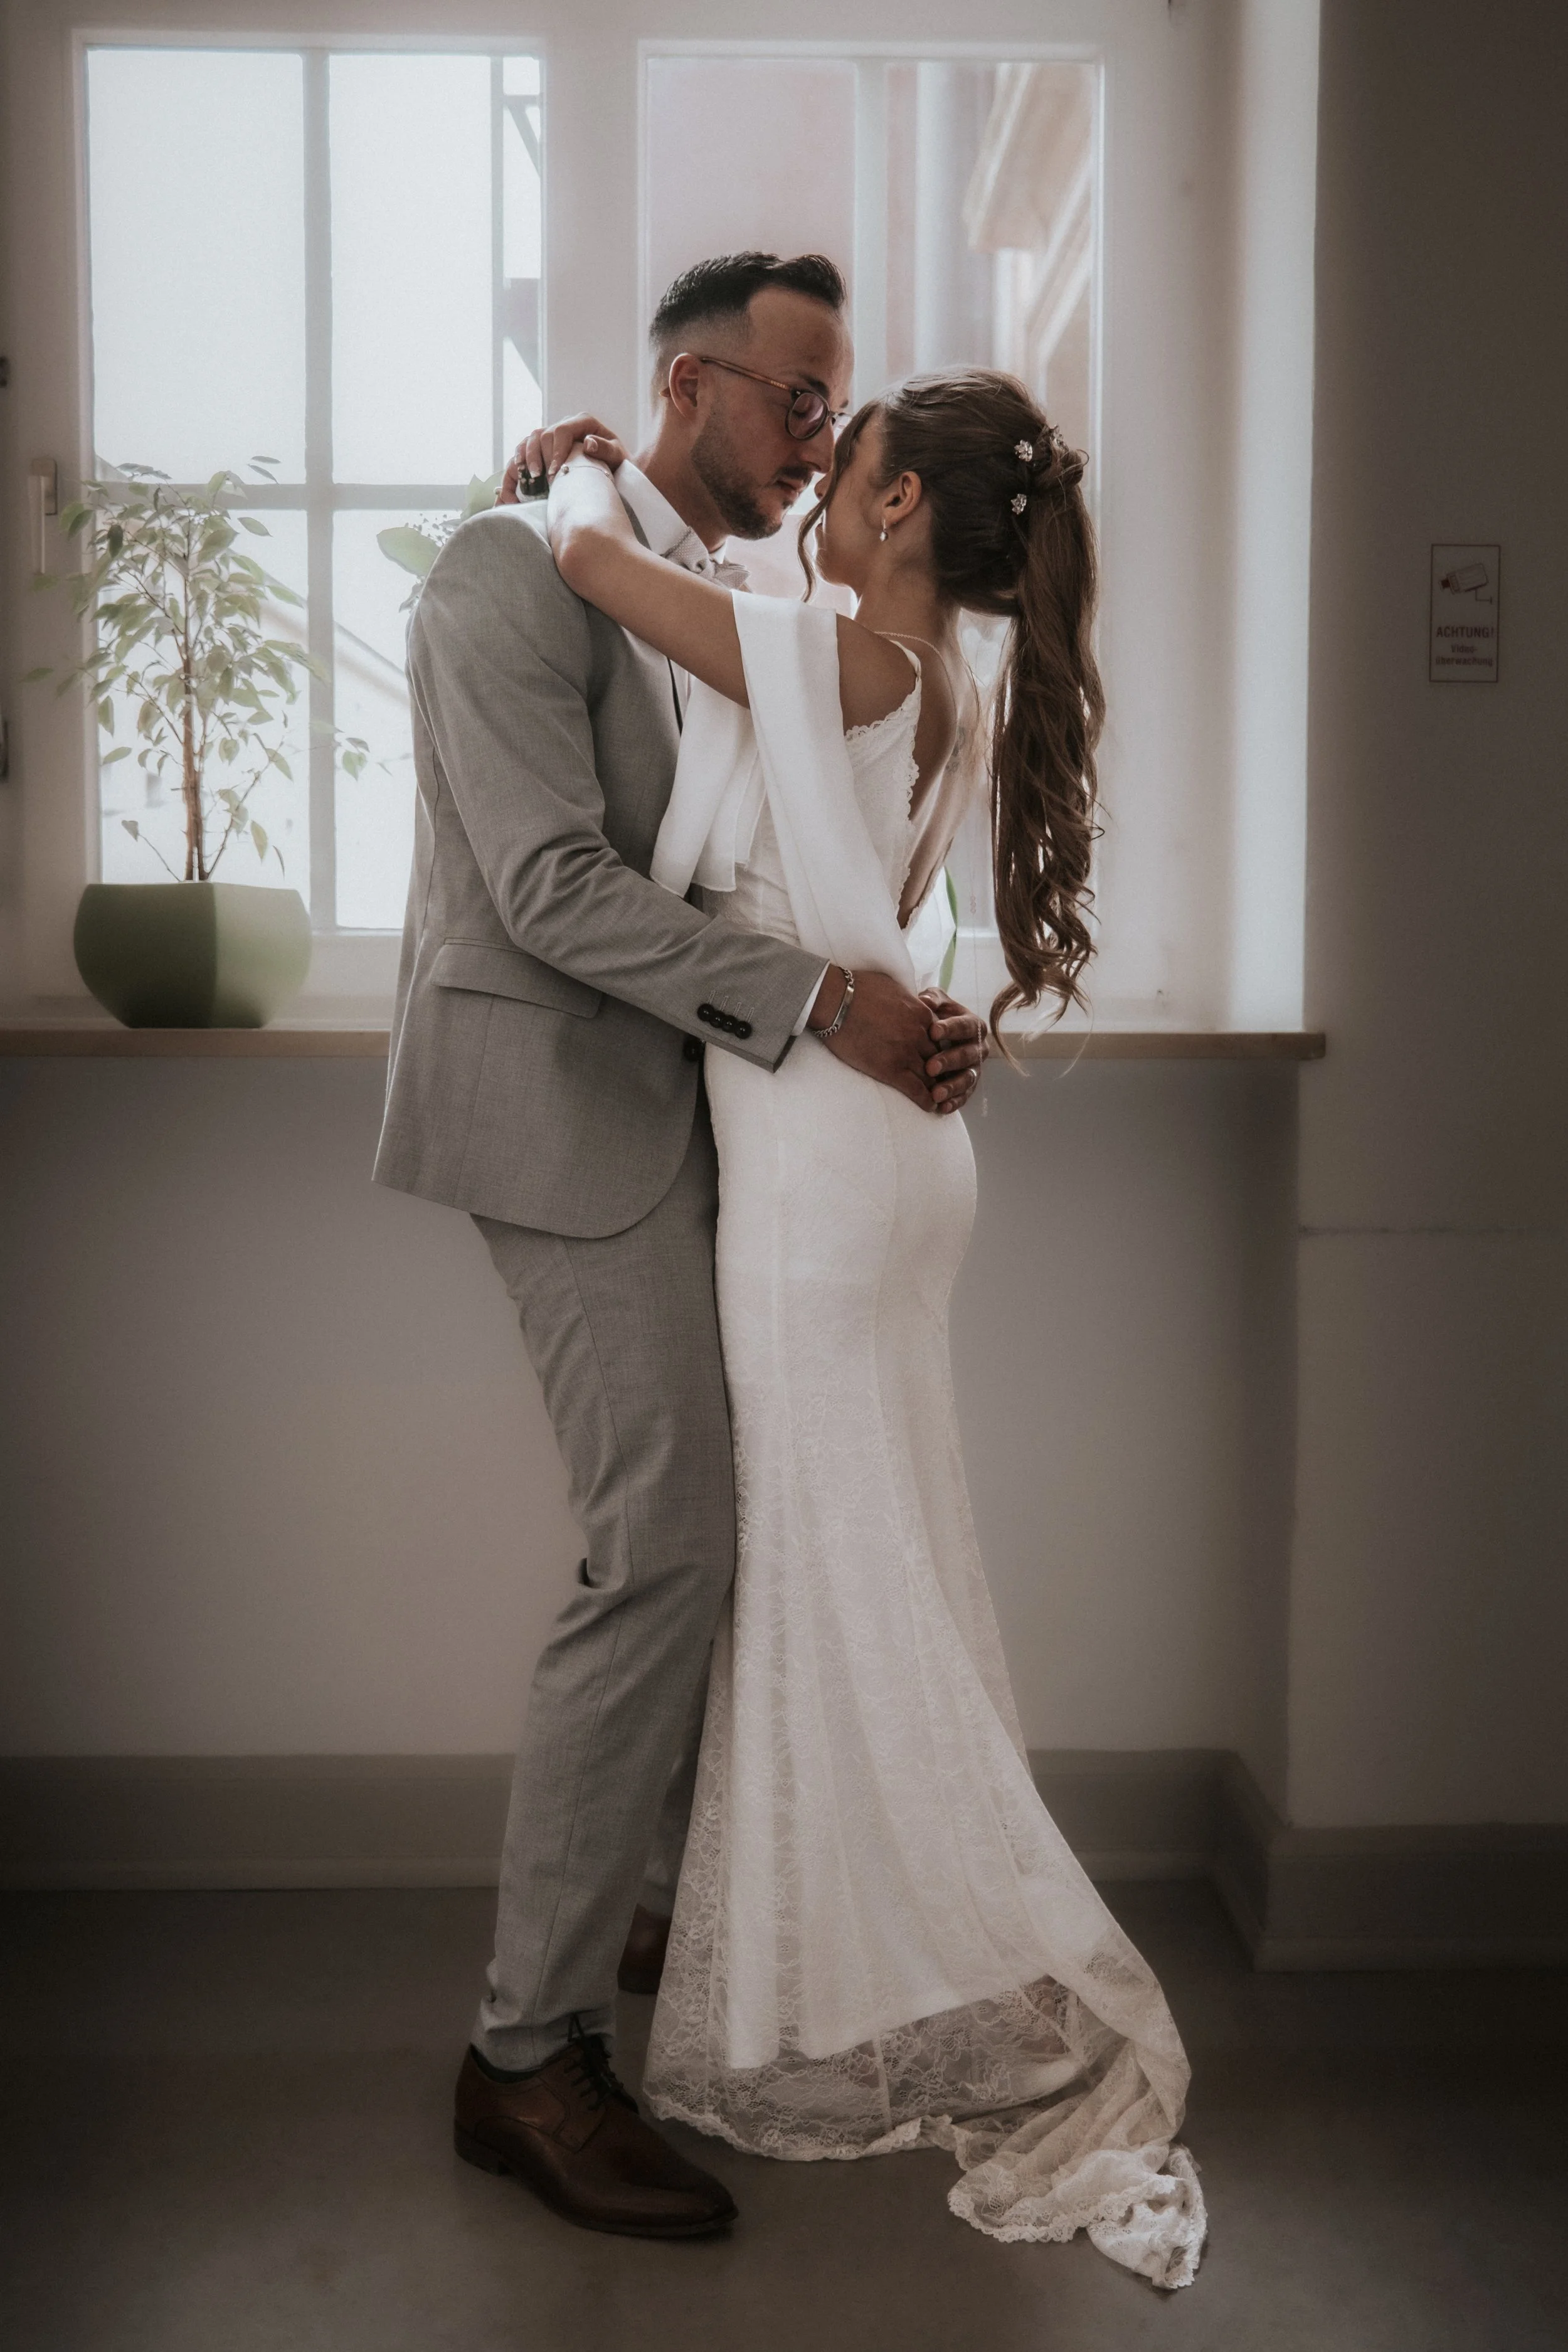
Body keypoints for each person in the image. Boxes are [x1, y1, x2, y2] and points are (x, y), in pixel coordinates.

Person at [532, 366, 1207, 2289]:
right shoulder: (937, 679)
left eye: (857, 454)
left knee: (818, 1572)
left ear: (903, 507)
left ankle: (833, 1967)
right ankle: (820, 1943)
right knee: (856, 1554)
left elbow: (593, 568)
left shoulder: (834, 661)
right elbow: (872, 907)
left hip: (817, 1171)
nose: (825, 471)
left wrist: (577, 463)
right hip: (893, 1151)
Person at [373, 252, 988, 2243]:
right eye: (797, 398)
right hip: (564, 1113)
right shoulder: (501, 571)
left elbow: (814, 816)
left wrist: (905, 995)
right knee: (663, 1547)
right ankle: (524, 2052)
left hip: (726, 1117)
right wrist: (818, 1002)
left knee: (738, 1535)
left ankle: (656, 1909)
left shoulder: (735, 587)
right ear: (686, 385)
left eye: (836, 406)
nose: (822, 434)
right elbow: (547, 887)